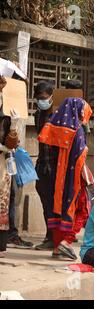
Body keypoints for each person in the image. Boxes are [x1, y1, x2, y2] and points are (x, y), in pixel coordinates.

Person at [38, 96, 92, 260]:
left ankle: (56, 247)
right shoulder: (77, 130)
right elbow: (80, 156)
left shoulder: (52, 125)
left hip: (53, 177)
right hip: (72, 178)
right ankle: (66, 242)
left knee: (57, 210)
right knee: (83, 209)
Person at [33, 81, 58, 251]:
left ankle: (59, 239)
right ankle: (49, 237)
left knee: (58, 205)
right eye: (38, 98)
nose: (41, 101)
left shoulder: (60, 116)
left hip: (57, 167)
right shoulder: (37, 115)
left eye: (44, 98)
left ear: (51, 97)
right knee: (46, 204)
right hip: (43, 165)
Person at [0, 76, 21, 258]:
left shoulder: (7, 113)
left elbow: (13, 143)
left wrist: (14, 124)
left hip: (2, 163)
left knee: (2, 202)